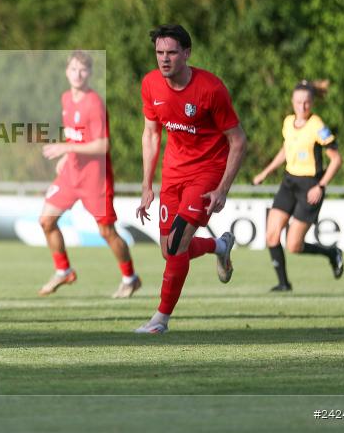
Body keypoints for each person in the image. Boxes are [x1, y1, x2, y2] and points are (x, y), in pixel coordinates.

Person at [135, 24, 247, 334]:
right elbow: (151, 133)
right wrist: (147, 184)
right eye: (159, 52)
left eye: (171, 52)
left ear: (187, 53)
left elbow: (238, 140)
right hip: (173, 174)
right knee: (169, 249)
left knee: (176, 246)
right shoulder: (150, 85)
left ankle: (160, 319)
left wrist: (222, 189)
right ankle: (219, 246)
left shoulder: (211, 89)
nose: (164, 59)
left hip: (207, 172)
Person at [38, 50, 141, 299]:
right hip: (72, 174)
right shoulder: (66, 98)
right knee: (46, 220)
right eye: (73, 69)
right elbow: (76, 134)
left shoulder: (94, 103)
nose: (78, 74)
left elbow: (103, 145)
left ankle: (130, 278)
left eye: (83, 70)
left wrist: (66, 148)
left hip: (95, 179)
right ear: (66, 71)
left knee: (106, 232)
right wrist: (66, 155)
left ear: (90, 74)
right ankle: (63, 271)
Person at [252, 80, 344, 291]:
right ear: (292, 101)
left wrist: (320, 186)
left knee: (294, 245)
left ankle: (332, 253)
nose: (302, 107)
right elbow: (286, 150)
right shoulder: (288, 122)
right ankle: (284, 284)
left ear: (312, 103)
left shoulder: (317, 126)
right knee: (271, 235)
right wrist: (265, 172)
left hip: (310, 186)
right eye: (298, 102)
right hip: (289, 182)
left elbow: (337, 160)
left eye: (307, 103)